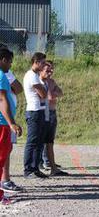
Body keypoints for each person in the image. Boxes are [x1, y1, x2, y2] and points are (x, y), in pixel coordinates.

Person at [0, 48, 22, 203]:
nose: (10, 64)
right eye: (9, 61)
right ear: (3, 59)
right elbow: (2, 100)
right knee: (1, 158)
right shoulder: (1, 76)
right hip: (2, 124)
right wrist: (11, 123)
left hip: (3, 123)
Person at [39, 62, 68, 176]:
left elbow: (60, 93)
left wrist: (54, 92)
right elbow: (50, 96)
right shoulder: (43, 82)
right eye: (48, 70)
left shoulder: (51, 82)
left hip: (52, 111)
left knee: (50, 140)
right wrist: (53, 92)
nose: (51, 72)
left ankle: (49, 162)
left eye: (52, 70)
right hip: (46, 111)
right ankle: (41, 162)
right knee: (43, 139)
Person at [23, 52, 48, 179]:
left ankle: (35, 168)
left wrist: (44, 91)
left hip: (40, 110)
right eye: (43, 63)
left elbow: (44, 93)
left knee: (39, 142)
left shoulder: (36, 76)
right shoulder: (31, 76)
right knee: (32, 141)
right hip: (34, 111)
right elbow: (44, 94)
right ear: (36, 62)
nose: (44, 65)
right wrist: (44, 91)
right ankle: (28, 170)